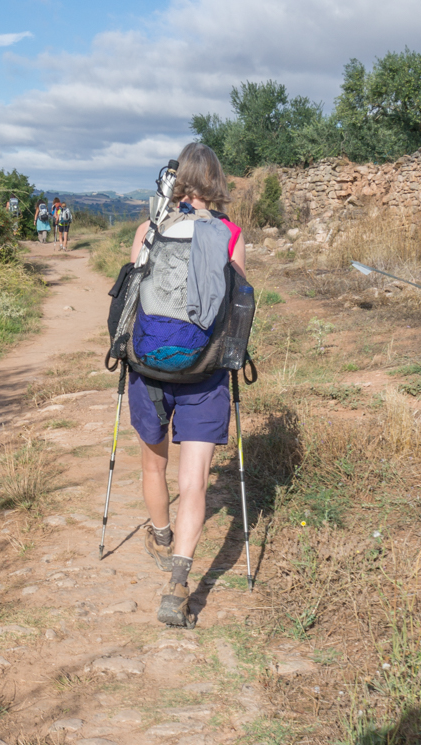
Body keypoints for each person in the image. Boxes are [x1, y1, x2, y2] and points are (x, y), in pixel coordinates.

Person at [127, 142, 246, 627]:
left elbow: (130, 295)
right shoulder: (230, 234)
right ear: (216, 181)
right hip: (205, 371)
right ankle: (179, 582)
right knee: (193, 482)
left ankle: (160, 535)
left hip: (149, 368)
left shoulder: (148, 231)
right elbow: (240, 304)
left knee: (155, 469)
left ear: (177, 180)